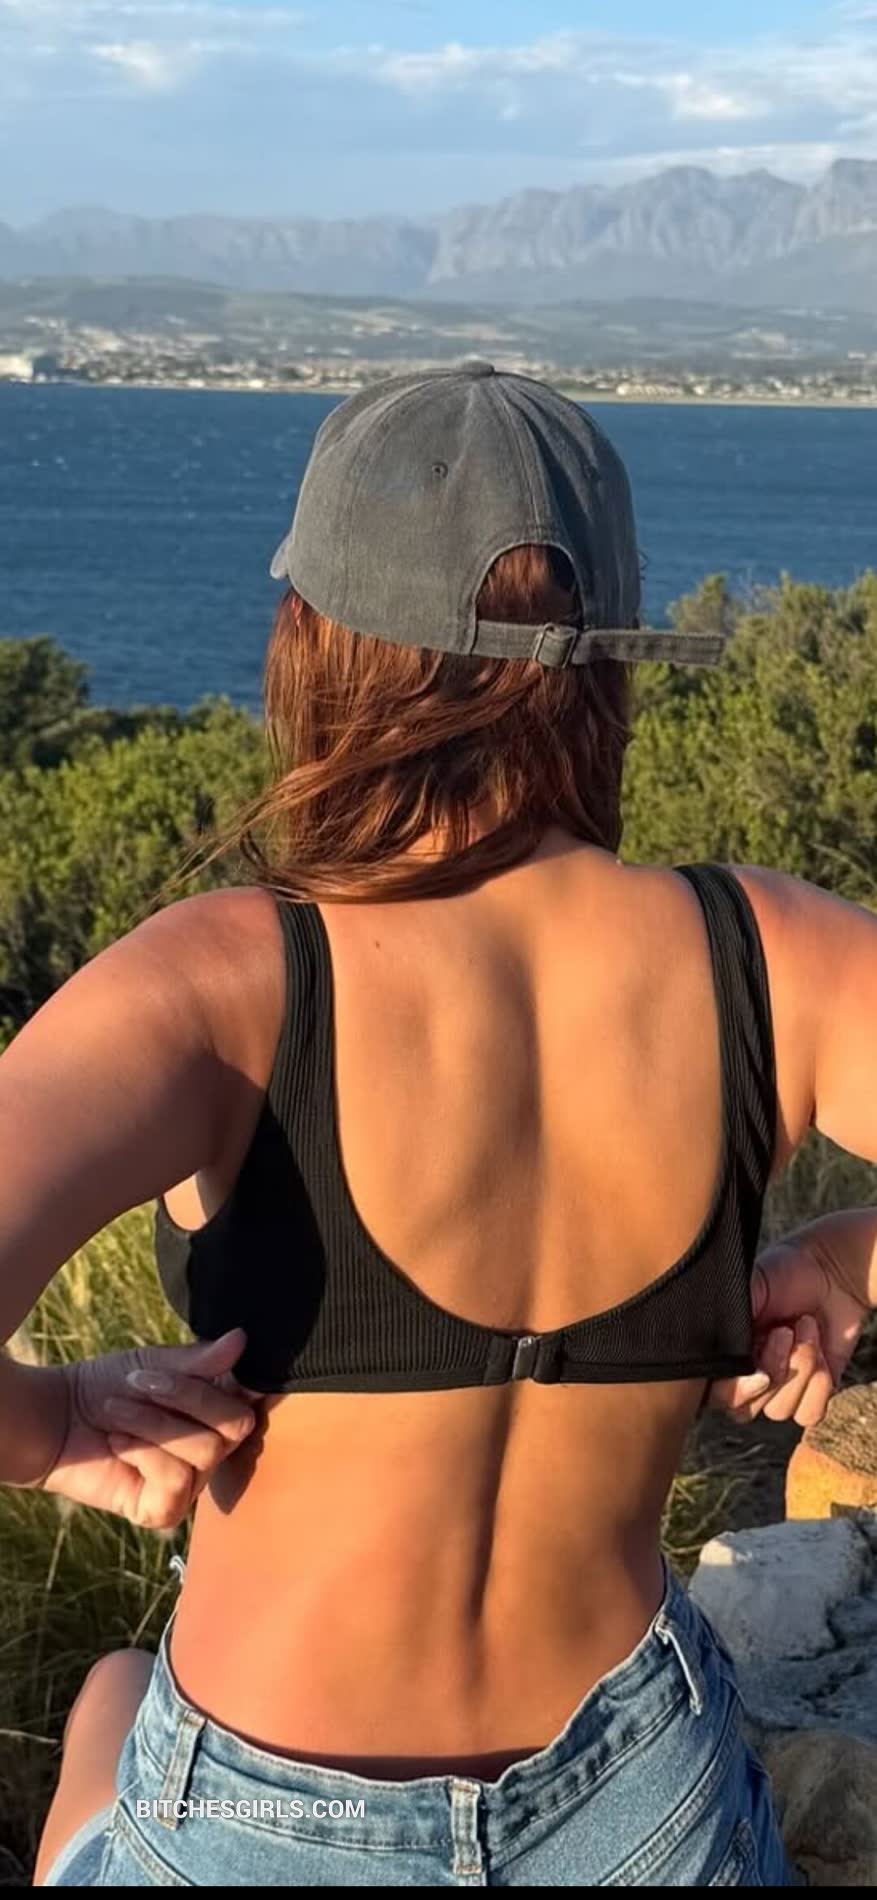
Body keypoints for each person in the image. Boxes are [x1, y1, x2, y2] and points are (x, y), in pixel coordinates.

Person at [3, 365, 874, 1887]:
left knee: (112, 1697)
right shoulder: (775, 956)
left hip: (266, 1824)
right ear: (608, 658)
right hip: (634, 1805)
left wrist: (54, 1424)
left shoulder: (226, 979)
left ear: (314, 643)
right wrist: (854, 1254)